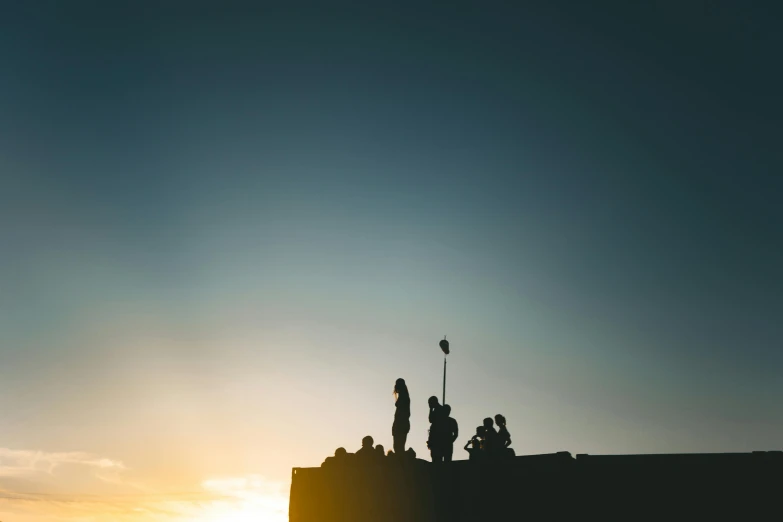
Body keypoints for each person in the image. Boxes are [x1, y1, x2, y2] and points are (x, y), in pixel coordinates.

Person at [392, 378, 411, 455]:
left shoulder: (403, 396)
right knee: (398, 446)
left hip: (401, 423)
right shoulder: (404, 395)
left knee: (398, 446)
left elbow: (405, 413)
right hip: (401, 423)